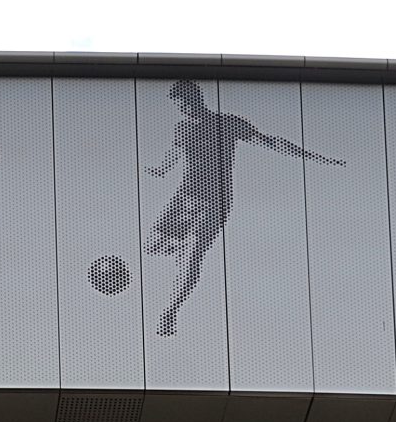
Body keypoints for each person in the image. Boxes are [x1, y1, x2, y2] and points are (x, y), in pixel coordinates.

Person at [144, 79, 343, 337]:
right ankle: (180, 248)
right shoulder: (182, 128)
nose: (185, 111)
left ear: (197, 99)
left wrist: (314, 156)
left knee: (192, 254)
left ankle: (171, 311)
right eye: (180, 107)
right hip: (184, 198)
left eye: (187, 104)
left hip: (214, 201)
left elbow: (271, 142)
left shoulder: (227, 124)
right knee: (152, 247)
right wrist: (150, 170)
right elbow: (168, 162)